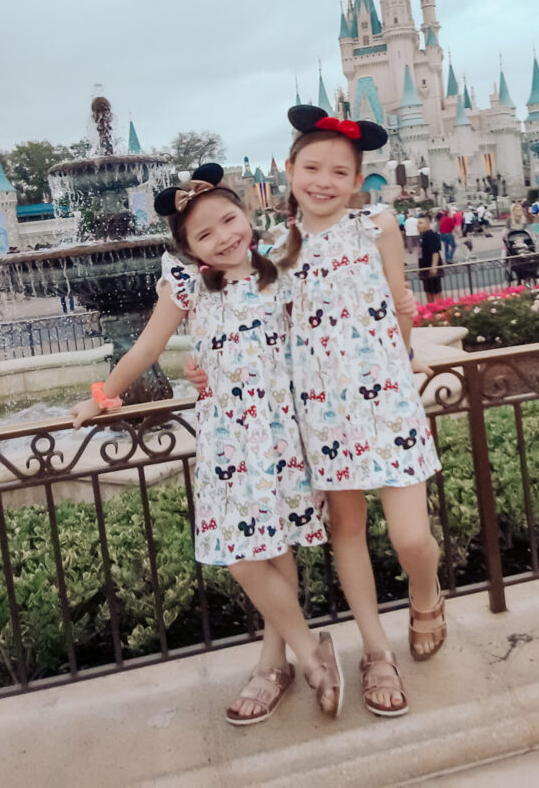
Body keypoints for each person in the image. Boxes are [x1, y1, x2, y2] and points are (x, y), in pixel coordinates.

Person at [188, 110, 445, 719]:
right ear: (290, 171)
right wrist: (201, 372)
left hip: (386, 406)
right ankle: (375, 653)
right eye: (312, 168)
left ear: (358, 179)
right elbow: (252, 331)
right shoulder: (274, 252)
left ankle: (426, 590)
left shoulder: (376, 225)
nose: (323, 180)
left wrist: (400, 363)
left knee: (412, 539)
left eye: (339, 171)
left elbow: (401, 302)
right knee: (346, 536)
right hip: (322, 419)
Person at [69, 164, 343, 726]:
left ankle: (274, 664)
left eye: (228, 219)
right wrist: (101, 397)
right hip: (225, 440)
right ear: (189, 248)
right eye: (205, 234)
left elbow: (319, 346)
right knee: (244, 556)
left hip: (281, 434)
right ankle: (314, 656)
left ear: (246, 213)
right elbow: (145, 350)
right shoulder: (188, 286)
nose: (223, 237)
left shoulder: (283, 273)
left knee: (275, 547)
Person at [418, 214, 443, 302]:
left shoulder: (430, 235)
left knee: (435, 291)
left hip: (430, 268)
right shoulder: (423, 236)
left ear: (428, 224)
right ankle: (432, 310)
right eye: (418, 223)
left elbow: (435, 252)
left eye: (421, 223)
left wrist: (434, 267)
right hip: (425, 269)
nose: (418, 225)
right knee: (428, 291)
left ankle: (440, 310)